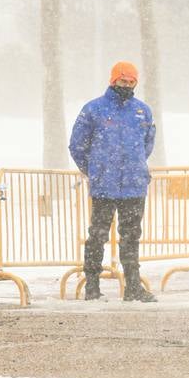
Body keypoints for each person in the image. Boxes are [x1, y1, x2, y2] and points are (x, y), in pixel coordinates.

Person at [68, 61, 158, 303]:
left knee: (131, 237)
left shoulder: (143, 111)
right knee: (97, 236)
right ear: (113, 80)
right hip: (104, 185)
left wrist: (135, 164)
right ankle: (92, 287)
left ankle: (133, 287)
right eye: (122, 81)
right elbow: (77, 144)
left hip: (134, 185)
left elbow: (148, 143)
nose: (126, 86)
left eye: (131, 82)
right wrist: (93, 169)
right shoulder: (93, 109)